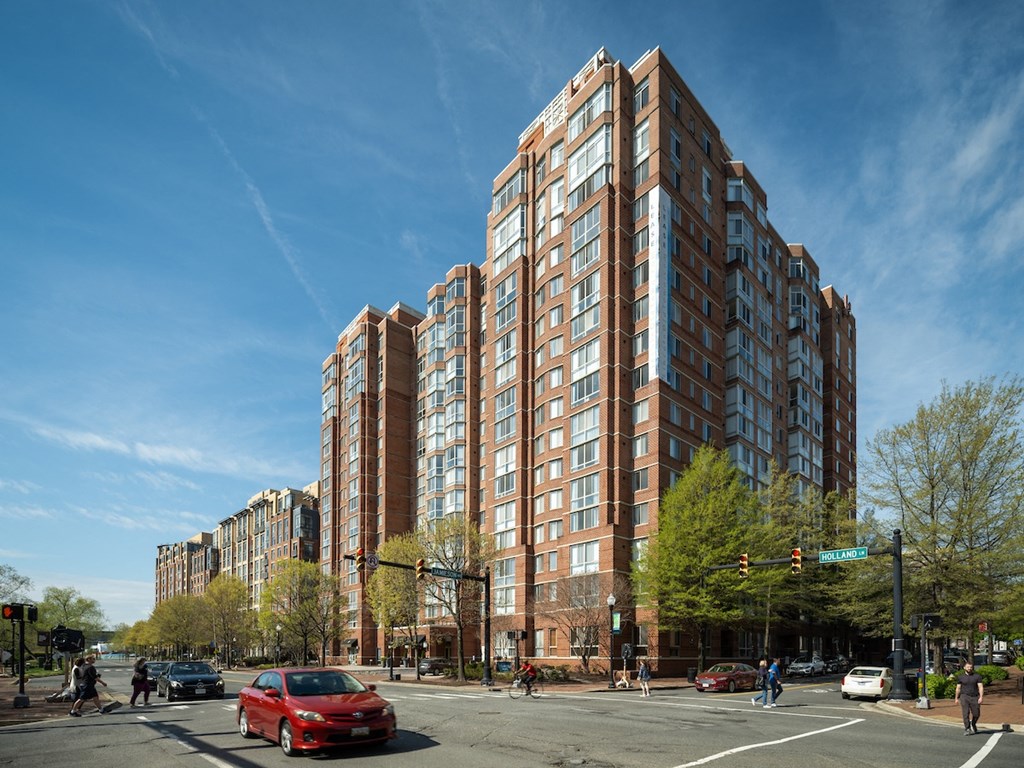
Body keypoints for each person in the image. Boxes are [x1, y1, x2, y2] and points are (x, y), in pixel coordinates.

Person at [954, 661, 984, 735]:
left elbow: (980, 687)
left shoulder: (977, 676)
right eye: (968, 667)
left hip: (974, 697)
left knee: (976, 714)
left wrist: (981, 697)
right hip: (964, 696)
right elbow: (958, 688)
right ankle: (967, 728)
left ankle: (973, 724)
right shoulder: (961, 677)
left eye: (970, 667)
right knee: (965, 713)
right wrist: (956, 698)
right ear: (964, 668)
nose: (969, 668)